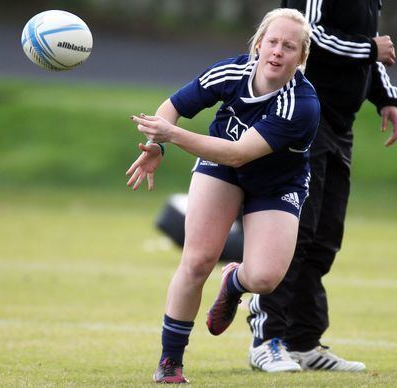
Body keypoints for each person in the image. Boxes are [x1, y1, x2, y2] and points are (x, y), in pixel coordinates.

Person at [126, 8, 319, 383]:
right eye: (273, 42)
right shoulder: (231, 71)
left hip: (276, 182)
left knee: (264, 279)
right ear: (259, 44)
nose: (278, 52)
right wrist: (155, 145)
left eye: (289, 47)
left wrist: (172, 137)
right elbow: (173, 107)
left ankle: (234, 282)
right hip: (221, 169)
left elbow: (239, 152)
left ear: (301, 58)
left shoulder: (302, 104)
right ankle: (170, 362)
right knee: (197, 261)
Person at [244, 0, 397, 373]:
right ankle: (266, 340)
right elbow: (307, 36)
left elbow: (369, 48)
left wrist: (385, 98)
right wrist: (369, 50)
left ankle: (303, 341)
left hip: (339, 126)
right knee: (294, 234)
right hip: (302, 118)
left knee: (324, 237)